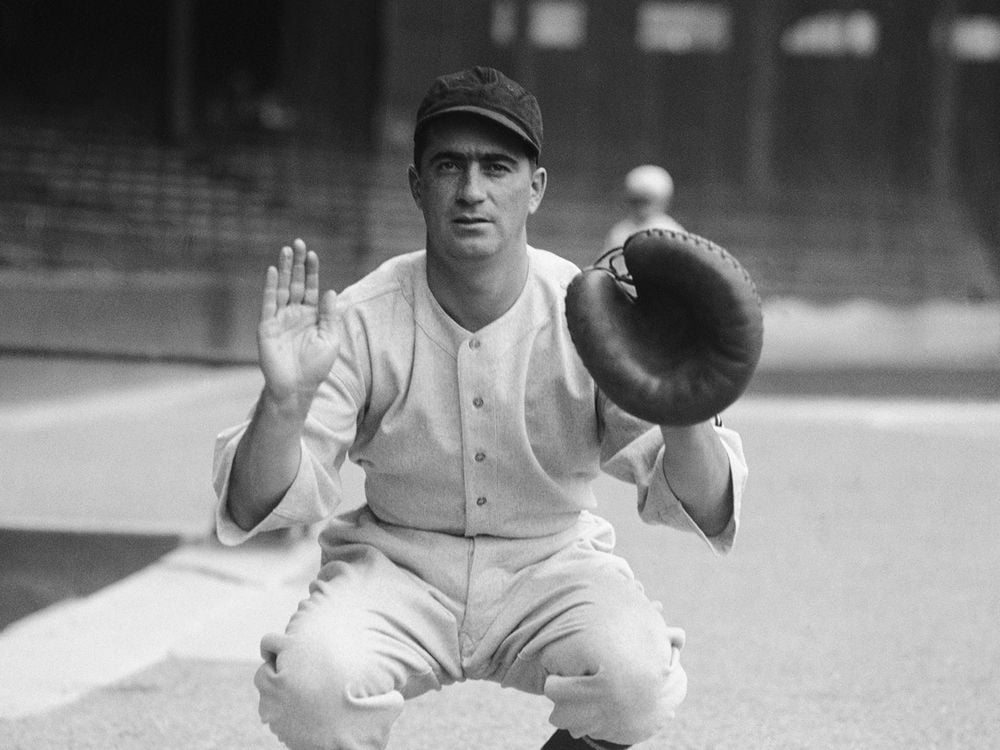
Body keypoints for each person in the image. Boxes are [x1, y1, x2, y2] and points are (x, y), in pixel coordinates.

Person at [213, 66, 748, 750]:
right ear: (416, 185)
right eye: (448, 166)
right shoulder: (362, 316)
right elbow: (256, 504)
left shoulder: (591, 315)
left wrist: (683, 409)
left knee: (636, 682)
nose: (472, 191)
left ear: (535, 187)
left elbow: (704, 501)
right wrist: (283, 404)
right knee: (310, 690)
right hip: (397, 565)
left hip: (551, 562)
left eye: (497, 166)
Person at [603, 164, 684, 251]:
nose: (639, 207)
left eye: (644, 201)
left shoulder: (671, 234)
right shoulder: (619, 233)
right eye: (635, 201)